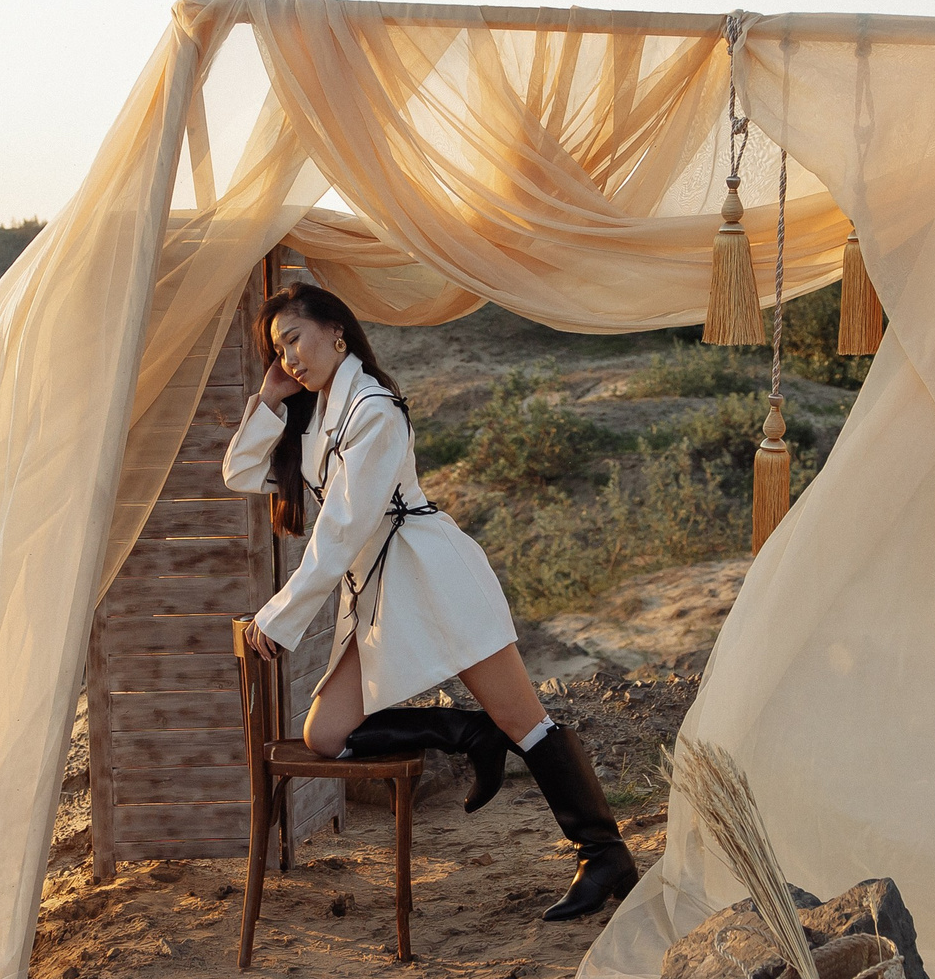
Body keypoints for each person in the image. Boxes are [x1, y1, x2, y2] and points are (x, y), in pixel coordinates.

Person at [224, 282, 638, 921]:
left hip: (430, 575)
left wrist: (278, 619)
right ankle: (469, 734)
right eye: (278, 350)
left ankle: (603, 852)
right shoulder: (317, 410)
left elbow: (341, 531)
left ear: (336, 330)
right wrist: (269, 399)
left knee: (523, 718)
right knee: (327, 733)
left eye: (295, 341)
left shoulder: (374, 409)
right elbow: (242, 474)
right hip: (380, 589)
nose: (290, 359)